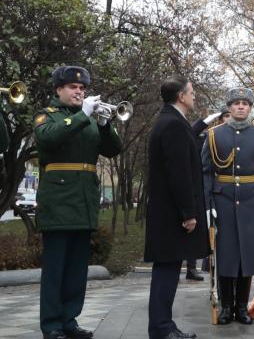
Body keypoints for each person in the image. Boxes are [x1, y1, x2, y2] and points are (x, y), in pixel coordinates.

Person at [34, 66, 123, 339]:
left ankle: (69, 320)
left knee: (76, 269)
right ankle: (51, 325)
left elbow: (113, 149)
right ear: (58, 89)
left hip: (83, 202)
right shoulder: (46, 117)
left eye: (82, 89)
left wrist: (106, 126)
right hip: (58, 202)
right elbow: (50, 138)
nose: (79, 92)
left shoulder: (89, 121)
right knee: (55, 269)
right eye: (73, 88)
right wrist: (83, 115)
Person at [202, 88, 254, 325]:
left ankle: (242, 307)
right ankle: (226, 308)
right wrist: (207, 204)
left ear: (250, 107)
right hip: (222, 201)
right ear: (229, 108)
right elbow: (205, 173)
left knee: (247, 257)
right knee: (226, 255)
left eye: (245, 103)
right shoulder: (213, 136)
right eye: (236, 103)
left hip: (252, 202)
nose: (241, 107)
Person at [145, 76, 210, 339]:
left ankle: (163, 327)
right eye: (191, 92)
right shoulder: (173, 125)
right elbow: (179, 173)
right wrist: (188, 213)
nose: (194, 96)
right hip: (173, 215)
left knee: (168, 271)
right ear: (181, 96)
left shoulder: (171, 122)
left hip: (166, 213)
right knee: (167, 273)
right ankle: (162, 329)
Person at [185, 106, 231, 281]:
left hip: (224, 192)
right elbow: (189, 135)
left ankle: (216, 275)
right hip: (204, 188)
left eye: (229, 116)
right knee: (198, 229)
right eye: (224, 116)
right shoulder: (208, 137)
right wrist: (205, 121)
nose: (227, 119)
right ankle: (191, 266)